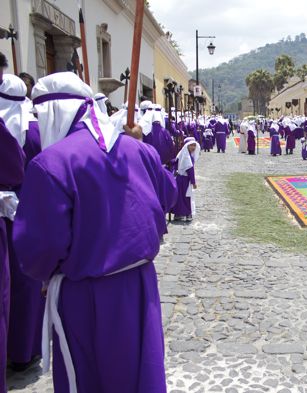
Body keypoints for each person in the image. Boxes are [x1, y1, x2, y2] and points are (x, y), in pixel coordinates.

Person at [12, 72, 177, 393]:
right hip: (141, 286)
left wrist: (43, 273)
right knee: (140, 376)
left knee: (90, 380)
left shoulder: (50, 163)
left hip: (84, 295)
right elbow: (168, 195)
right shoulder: (139, 150)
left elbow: (38, 247)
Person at [0, 73, 45, 373]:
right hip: (26, 209)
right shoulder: (34, 131)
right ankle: (24, 349)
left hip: (10, 212)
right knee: (26, 281)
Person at [171, 137, 199, 221]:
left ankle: (178, 214)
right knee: (186, 197)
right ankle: (187, 214)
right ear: (187, 146)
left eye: (194, 145)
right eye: (191, 145)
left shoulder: (182, 154)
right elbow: (190, 170)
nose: (193, 147)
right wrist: (193, 182)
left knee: (180, 197)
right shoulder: (186, 156)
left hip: (180, 179)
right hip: (184, 180)